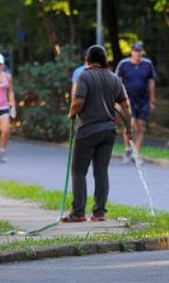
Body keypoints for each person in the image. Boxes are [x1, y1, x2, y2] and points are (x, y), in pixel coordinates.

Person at [62, 45, 132, 223]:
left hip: (88, 130)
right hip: (109, 131)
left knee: (78, 171)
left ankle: (78, 213)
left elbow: (78, 101)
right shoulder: (115, 79)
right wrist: (129, 128)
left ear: (89, 60)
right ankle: (99, 213)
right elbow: (126, 106)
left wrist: (71, 114)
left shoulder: (84, 76)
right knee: (101, 172)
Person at [115, 42, 157, 164]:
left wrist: (152, 100)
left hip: (143, 100)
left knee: (140, 126)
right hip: (128, 100)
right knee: (130, 124)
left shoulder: (148, 64)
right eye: (135, 51)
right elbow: (117, 81)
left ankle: (135, 153)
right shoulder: (124, 64)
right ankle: (128, 148)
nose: (137, 53)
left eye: (139, 51)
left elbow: (151, 82)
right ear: (131, 52)